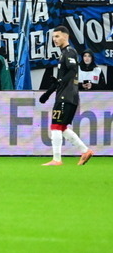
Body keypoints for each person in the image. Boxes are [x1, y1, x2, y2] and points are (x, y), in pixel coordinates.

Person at [40, 26, 93, 166]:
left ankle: (56, 159)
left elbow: (73, 70)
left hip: (66, 96)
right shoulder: (64, 53)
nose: (54, 39)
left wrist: (59, 82)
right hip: (68, 95)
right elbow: (61, 80)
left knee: (56, 126)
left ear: (66, 36)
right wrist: (48, 93)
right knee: (62, 127)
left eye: (57, 36)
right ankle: (85, 151)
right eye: (53, 37)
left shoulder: (69, 52)